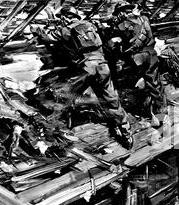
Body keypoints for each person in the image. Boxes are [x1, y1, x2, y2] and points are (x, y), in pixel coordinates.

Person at [30, 7, 134, 149]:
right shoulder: (90, 24)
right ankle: (126, 132)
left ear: (66, 17)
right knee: (112, 99)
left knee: (64, 95)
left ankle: (59, 132)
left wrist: (37, 30)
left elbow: (48, 37)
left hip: (85, 68)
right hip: (102, 66)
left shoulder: (67, 29)